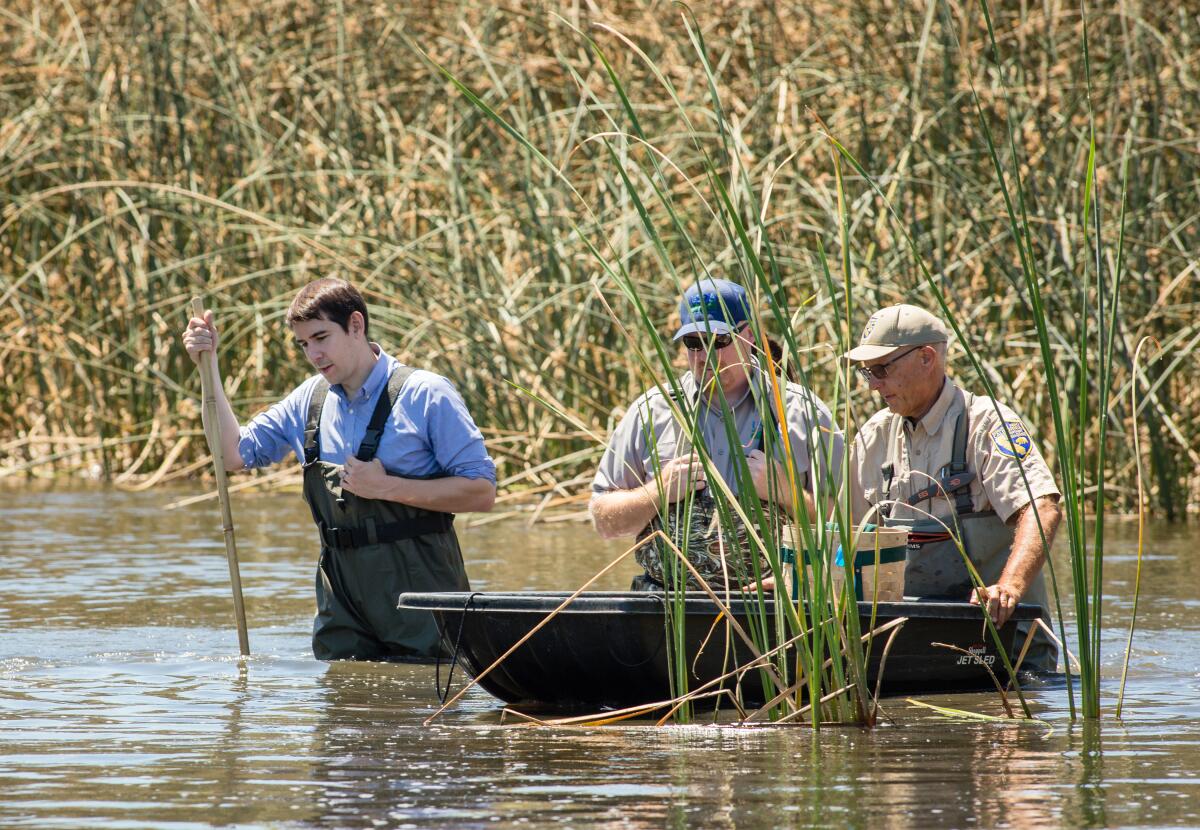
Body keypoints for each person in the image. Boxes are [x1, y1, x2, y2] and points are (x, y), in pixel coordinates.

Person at [182, 278, 496, 662]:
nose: (313, 354)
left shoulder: (426, 394)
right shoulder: (308, 400)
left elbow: (481, 492)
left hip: (421, 595)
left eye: (321, 337)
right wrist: (207, 367)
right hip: (341, 600)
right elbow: (231, 455)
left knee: (419, 710)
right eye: (304, 344)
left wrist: (387, 488)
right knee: (344, 710)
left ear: (356, 326)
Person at [844, 303, 1062, 671]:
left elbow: (1043, 508)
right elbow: (846, 537)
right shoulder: (872, 438)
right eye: (868, 373)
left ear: (927, 358)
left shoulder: (989, 424)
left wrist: (1007, 588)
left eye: (881, 370)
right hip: (909, 651)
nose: (873, 385)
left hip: (1004, 651)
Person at [590, 278, 844, 590]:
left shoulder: (802, 413)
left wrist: (787, 492)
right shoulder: (652, 412)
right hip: (667, 609)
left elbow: (849, 525)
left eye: (718, 341)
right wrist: (657, 493)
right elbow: (604, 521)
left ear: (748, 336)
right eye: (693, 343)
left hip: (776, 612)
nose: (703, 355)